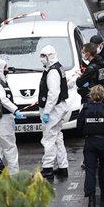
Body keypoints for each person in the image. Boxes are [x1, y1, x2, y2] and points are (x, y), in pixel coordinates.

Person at [38, 45, 70, 181]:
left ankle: (47, 168)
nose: (41, 59)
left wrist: (46, 111)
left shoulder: (52, 72)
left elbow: (53, 93)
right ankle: (63, 167)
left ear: (48, 56)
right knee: (57, 137)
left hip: (54, 110)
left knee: (49, 139)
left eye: (43, 56)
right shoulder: (58, 67)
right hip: (59, 108)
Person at [0, 59, 24, 174]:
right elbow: (3, 100)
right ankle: (15, 175)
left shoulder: (0, 81)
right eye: (5, 67)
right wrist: (15, 110)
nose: (7, 70)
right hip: (2, 120)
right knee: (10, 147)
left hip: (2, 119)